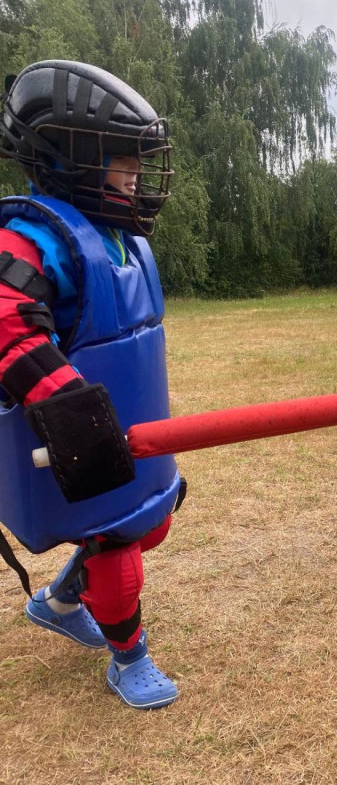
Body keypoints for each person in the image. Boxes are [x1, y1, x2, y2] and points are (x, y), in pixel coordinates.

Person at [0, 59, 185, 707]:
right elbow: (8, 325)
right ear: (69, 158)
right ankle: (128, 657)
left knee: (153, 521)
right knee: (118, 551)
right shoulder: (30, 239)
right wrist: (70, 407)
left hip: (132, 438)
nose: (137, 175)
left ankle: (58, 601)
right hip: (65, 445)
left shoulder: (119, 239)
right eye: (122, 160)